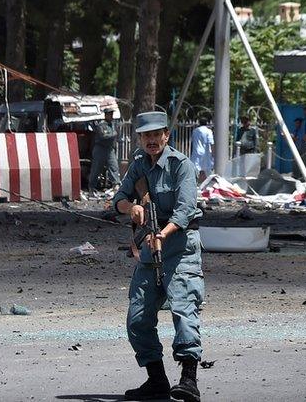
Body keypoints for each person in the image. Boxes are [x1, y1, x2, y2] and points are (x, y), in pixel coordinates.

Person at [113, 111, 204, 402]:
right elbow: (118, 200)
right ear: (139, 138)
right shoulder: (138, 165)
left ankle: (189, 380)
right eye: (146, 135)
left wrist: (163, 234)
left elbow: (186, 209)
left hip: (179, 246)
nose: (152, 140)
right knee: (137, 316)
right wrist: (132, 209)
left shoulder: (181, 166)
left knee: (183, 308)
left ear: (166, 135)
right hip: (150, 248)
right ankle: (157, 380)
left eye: (157, 134)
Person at [88, 109, 120, 191]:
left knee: (114, 166)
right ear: (106, 115)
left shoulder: (113, 124)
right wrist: (115, 133)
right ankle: (91, 186)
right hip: (100, 149)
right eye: (109, 114)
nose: (111, 116)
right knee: (96, 168)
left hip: (109, 149)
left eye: (112, 114)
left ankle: (115, 184)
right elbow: (104, 135)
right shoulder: (102, 125)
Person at [189, 116, 214, 183]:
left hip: (196, 152)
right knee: (205, 169)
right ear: (207, 123)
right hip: (206, 153)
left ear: (199, 123)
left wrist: (191, 152)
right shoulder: (208, 131)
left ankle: (198, 182)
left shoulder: (195, 131)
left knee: (197, 169)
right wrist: (213, 154)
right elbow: (211, 143)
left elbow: (192, 142)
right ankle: (203, 183)